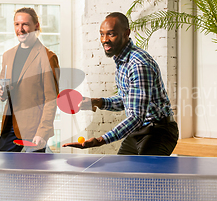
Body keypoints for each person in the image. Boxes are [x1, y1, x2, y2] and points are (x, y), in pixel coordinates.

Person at [63, 12, 178, 155]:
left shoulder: (138, 64)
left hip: (158, 132)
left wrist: (100, 140)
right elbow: (127, 100)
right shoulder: (121, 61)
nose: (105, 40)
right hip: (138, 130)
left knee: (145, 176)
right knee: (120, 174)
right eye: (102, 34)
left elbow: (136, 116)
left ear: (126, 33)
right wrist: (98, 102)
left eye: (111, 34)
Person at [0, 7, 59, 152]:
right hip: (9, 126)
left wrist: (42, 132)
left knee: (33, 173)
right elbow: (5, 91)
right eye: (17, 24)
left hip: (33, 129)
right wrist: (1, 92)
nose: (20, 29)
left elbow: (51, 99)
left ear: (36, 26)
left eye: (25, 24)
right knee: (2, 167)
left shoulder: (48, 57)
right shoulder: (7, 55)